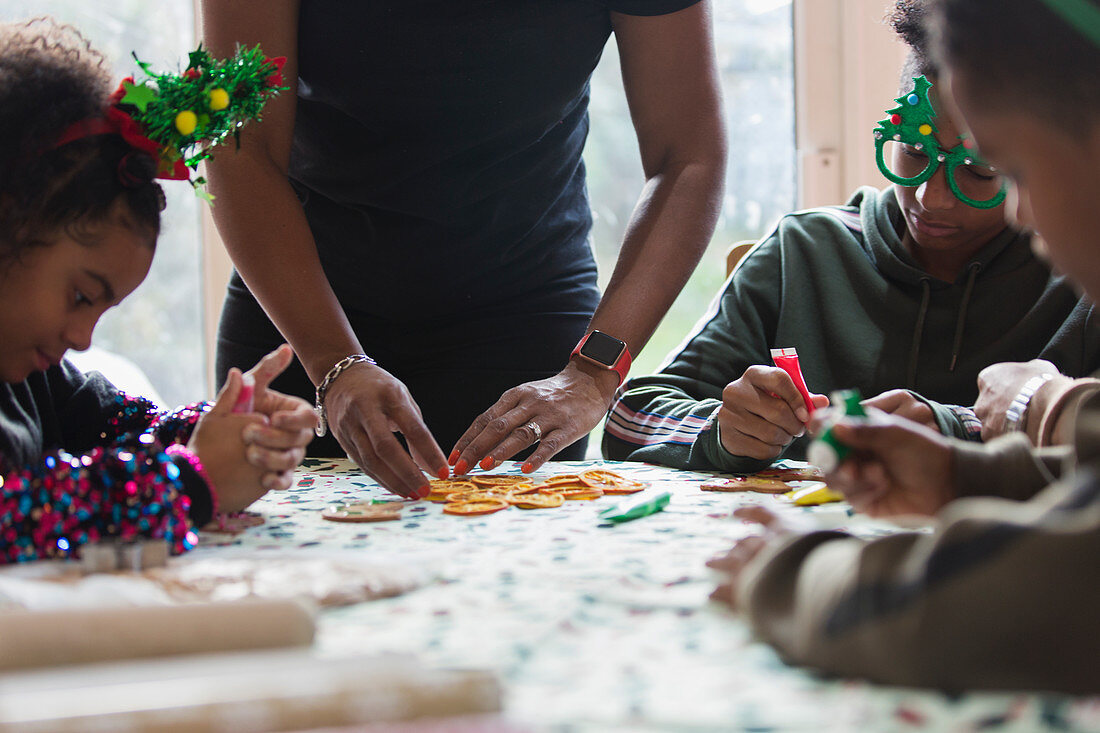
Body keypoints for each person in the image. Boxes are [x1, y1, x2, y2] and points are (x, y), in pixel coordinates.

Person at [709, 0, 1100, 692]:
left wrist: (793, 569)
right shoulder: (804, 249)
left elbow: (1023, 601)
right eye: (914, 151)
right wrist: (963, 478)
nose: (1020, 210)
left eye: (1005, 169)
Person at [200, 0, 728, 500]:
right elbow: (241, 145)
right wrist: (334, 362)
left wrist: (594, 373)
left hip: (521, 319)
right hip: (301, 311)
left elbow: (687, 157)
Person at [603, 0, 1100, 474]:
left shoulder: (1077, 264)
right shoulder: (804, 251)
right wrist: (722, 431)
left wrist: (962, 428)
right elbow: (628, 418)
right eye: (911, 152)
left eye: (980, 171)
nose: (932, 199)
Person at [0, 19, 316, 563]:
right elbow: (16, 519)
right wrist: (192, 480)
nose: (80, 338)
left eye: (102, 311)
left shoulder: (32, 376)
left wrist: (225, 428)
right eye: (81, 296)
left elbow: (116, 425)